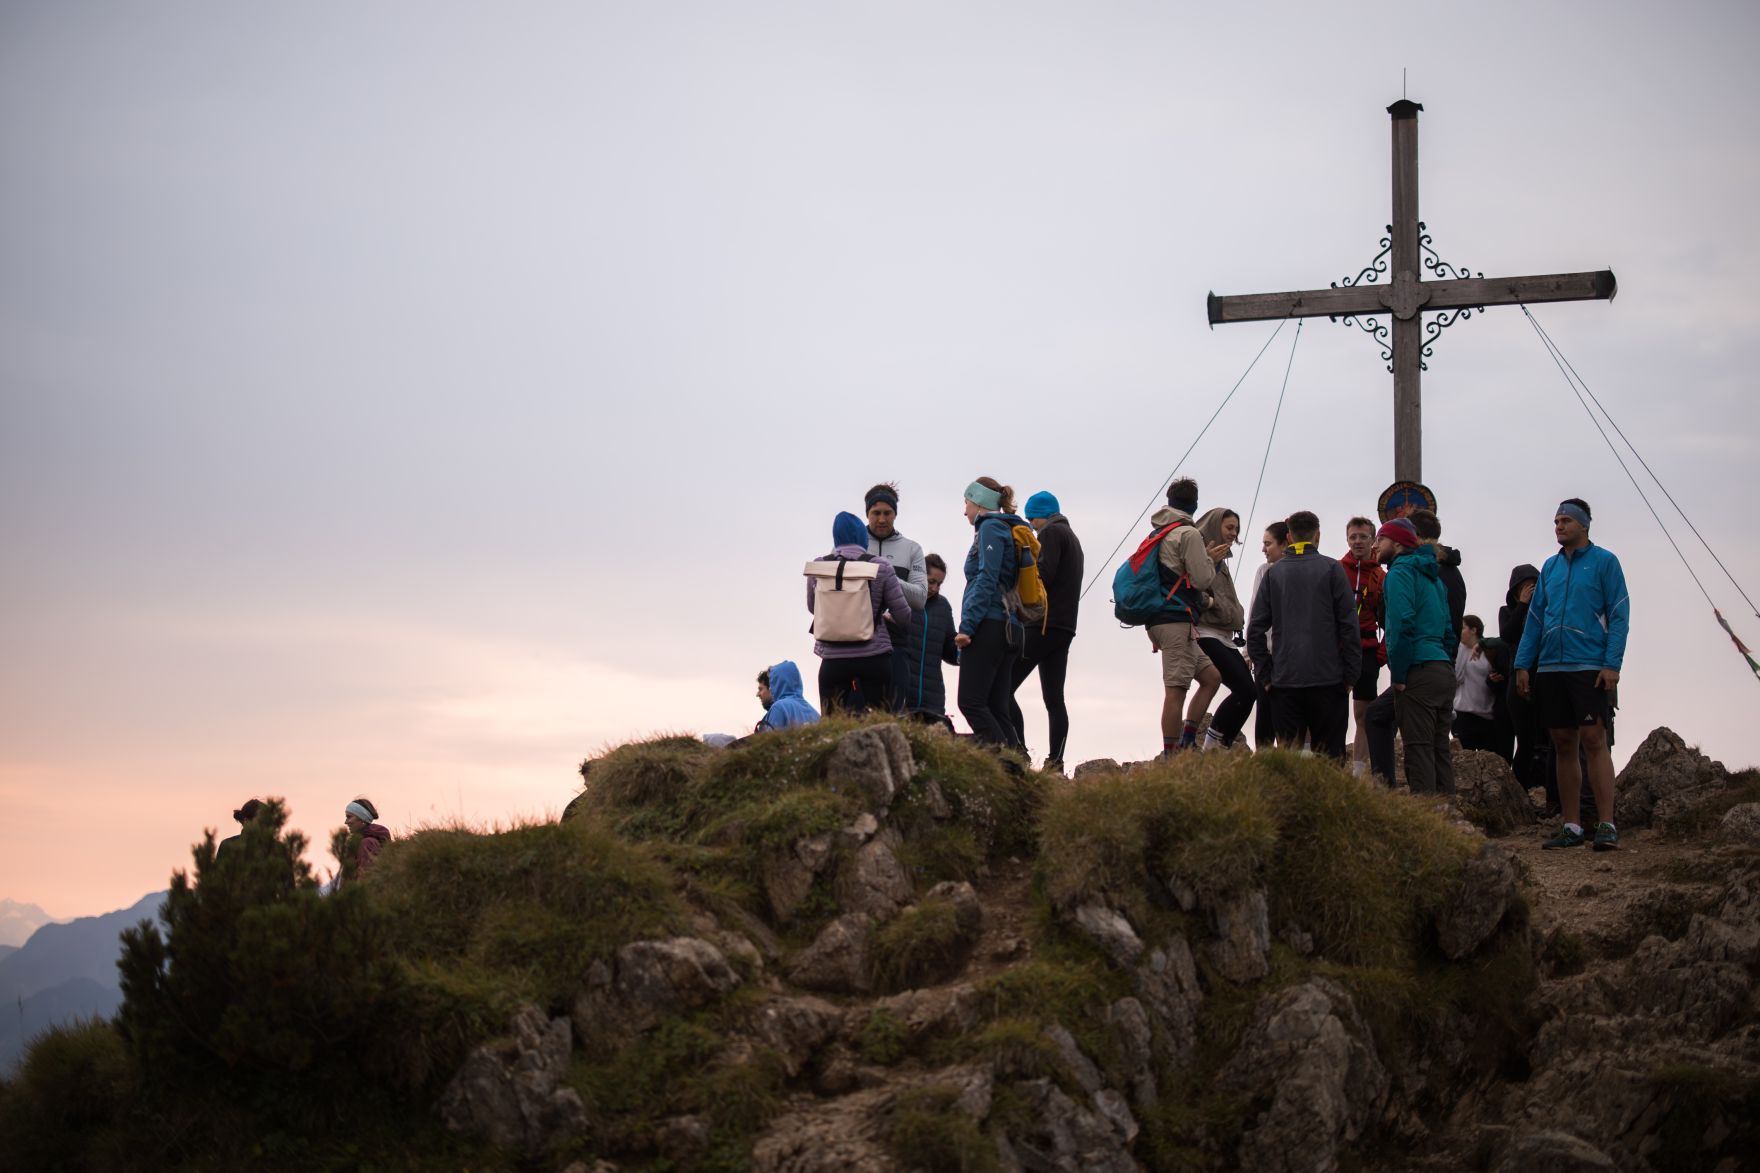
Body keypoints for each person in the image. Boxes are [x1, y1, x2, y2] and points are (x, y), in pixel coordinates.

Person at [1516, 499, 1630, 851]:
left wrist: (1612, 664)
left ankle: (1607, 824)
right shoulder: (1549, 567)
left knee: (1595, 741)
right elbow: (1535, 619)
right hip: (1550, 667)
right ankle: (1572, 826)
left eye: (1565, 520)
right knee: (1563, 745)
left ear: (1584, 524)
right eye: (1555, 521)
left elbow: (1620, 614)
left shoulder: (1605, 562)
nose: (1558, 527)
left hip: (1589, 666)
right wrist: (1523, 663)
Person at [1246, 511, 1359, 759]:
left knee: (1288, 760)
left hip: (1284, 680)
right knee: (1330, 759)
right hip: (1328, 679)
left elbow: (1255, 631)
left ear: (1288, 536)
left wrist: (1266, 676)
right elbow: (1349, 626)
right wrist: (1351, 675)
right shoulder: (1333, 569)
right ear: (1317, 535)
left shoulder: (1273, 574)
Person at [1366, 507, 1464, 785]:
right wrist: (1443, 660)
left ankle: (1428, 818)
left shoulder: (1399, 574)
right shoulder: (1434, 576)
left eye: (1380, 539)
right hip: (1442, 668)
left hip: (1418, 670)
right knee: (1439, 749)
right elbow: (1448, 629)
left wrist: (1398, 674)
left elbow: (1400, 626)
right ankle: (1449, 819)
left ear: (1397, 543)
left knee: (1418, 749)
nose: (1375, 545)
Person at [1144, 478, 1220, 755]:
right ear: (1195, 504)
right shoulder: (1188, 534)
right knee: (1176, 690)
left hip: (1162, 618)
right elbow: (1201, 578)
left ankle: (1186, 741)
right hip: (1174, 619)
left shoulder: (1160, 531)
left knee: (1211, 677)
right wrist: (1210, 559)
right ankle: (1171, 756)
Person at [809, 511, 912, 715]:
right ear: (861, 536)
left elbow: (813, 608)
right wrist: (882, 614)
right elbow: (904, 616)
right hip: (874, 656)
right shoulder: (881, 567)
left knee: (832, 725)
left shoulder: (819, 566)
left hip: (833, 659)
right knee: (882, 720)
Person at [1009, 491, 1084, 770]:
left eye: (1031, 519)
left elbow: (1043, 574)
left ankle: (1019, 751)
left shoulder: (1051, 533)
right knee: (1054, 698)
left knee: (1003, 685)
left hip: (1042, 624)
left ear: (1041, 515)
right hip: (1064, 628)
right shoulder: (1072, 538)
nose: (1032, 525)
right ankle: (1056, 761)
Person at [954, 477, 1028, 751]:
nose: (965, 511)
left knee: (971, 702)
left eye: (966, 502)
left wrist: (967, 627)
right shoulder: (1008, 527)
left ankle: (1005, 767)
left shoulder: (990, 527)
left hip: (990, 625)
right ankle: (1017, 768)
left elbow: (987, 578)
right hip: (1010, 627)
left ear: (979, 501)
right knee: (997, 707)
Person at [1186, 507, 1256, 751]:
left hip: (1224, 636)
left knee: (1247, 692)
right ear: (1215, 526)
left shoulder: (1221, 559)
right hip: (1206, 633)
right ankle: (1211, 743)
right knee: (1245, 689)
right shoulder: (1203, 555)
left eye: (1236, 528)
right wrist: (1213, 604)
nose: (1233, 533)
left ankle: (1217, 744)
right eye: (1229, 527)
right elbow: (1194, 590)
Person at [864, 483, 928, 706]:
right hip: (857, 644)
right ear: (867, 513)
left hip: (896, 644)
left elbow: (920, 598)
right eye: (876, 513)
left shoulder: (912, 549)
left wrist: (886, 575)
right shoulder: (853, 545)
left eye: (887, 513)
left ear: (895, 514)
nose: (882, 519)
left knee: (893, 717)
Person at [1340, 516, 1386, 775]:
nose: (1357, 541)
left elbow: (1390, 619)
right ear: (1347, 539)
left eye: (1363, 537)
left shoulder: (1381, 576)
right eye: (1353, 537)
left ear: (1373, 540)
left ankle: (1358, 773)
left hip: (1368, 650)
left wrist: (1381, 653)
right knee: (1332, 709)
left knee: (1363, 715)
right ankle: (1328, 763)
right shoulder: (1336, 569)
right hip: (1338, 650)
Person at [1499, 564, 1547, 793]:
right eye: (1525, 587)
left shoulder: (1548, 611)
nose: (1530, 589)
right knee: (1526, 740)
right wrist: (1523, 605)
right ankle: (1519, 791)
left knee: (1545, 740)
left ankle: (1545, 789)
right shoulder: (1507, 611)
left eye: (1534, 585)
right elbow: (1507, 635)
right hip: (1516, 679)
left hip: (1545, 677)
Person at [902, 554, 961, 720]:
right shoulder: (902, 599)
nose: (935, 588)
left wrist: (962, 648)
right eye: (931, 581)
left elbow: (949, 650)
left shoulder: (943, 606)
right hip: (903, 694)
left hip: (933, 698)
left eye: (939, 584)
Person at [1249, 521, 1290, 749]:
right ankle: (1264, 763)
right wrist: (1249, 652)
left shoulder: (1292, 571)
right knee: (1265, 713)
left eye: (1268, 544)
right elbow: (1255, 611)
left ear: (1284, 544)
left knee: (1287, 715)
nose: (1264, 549)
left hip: (1287, 655)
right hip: (1266, 653)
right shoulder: (1264, 570)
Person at [1452, 617, 1501, 753]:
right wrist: (1461, 647)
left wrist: (1494, 679)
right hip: (1463, 714)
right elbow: (1456, 677)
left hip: (1486, 716)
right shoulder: (1459, 649)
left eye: (1463, 628)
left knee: (1488, 763)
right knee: (1464, 763)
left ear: (1474, 630)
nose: (1459, 631)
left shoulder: (1489, 650)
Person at [755, 660, 819, 732]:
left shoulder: (779, 707)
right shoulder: (814, 712)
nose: (757, 694)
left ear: (777, 684)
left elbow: (770, 741)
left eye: (773, 684)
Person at [343, 798, 390, 880]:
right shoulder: (360, 842)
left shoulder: (367, 843)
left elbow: (365, 877)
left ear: (362, 818)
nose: (346, 822)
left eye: (349, 817)